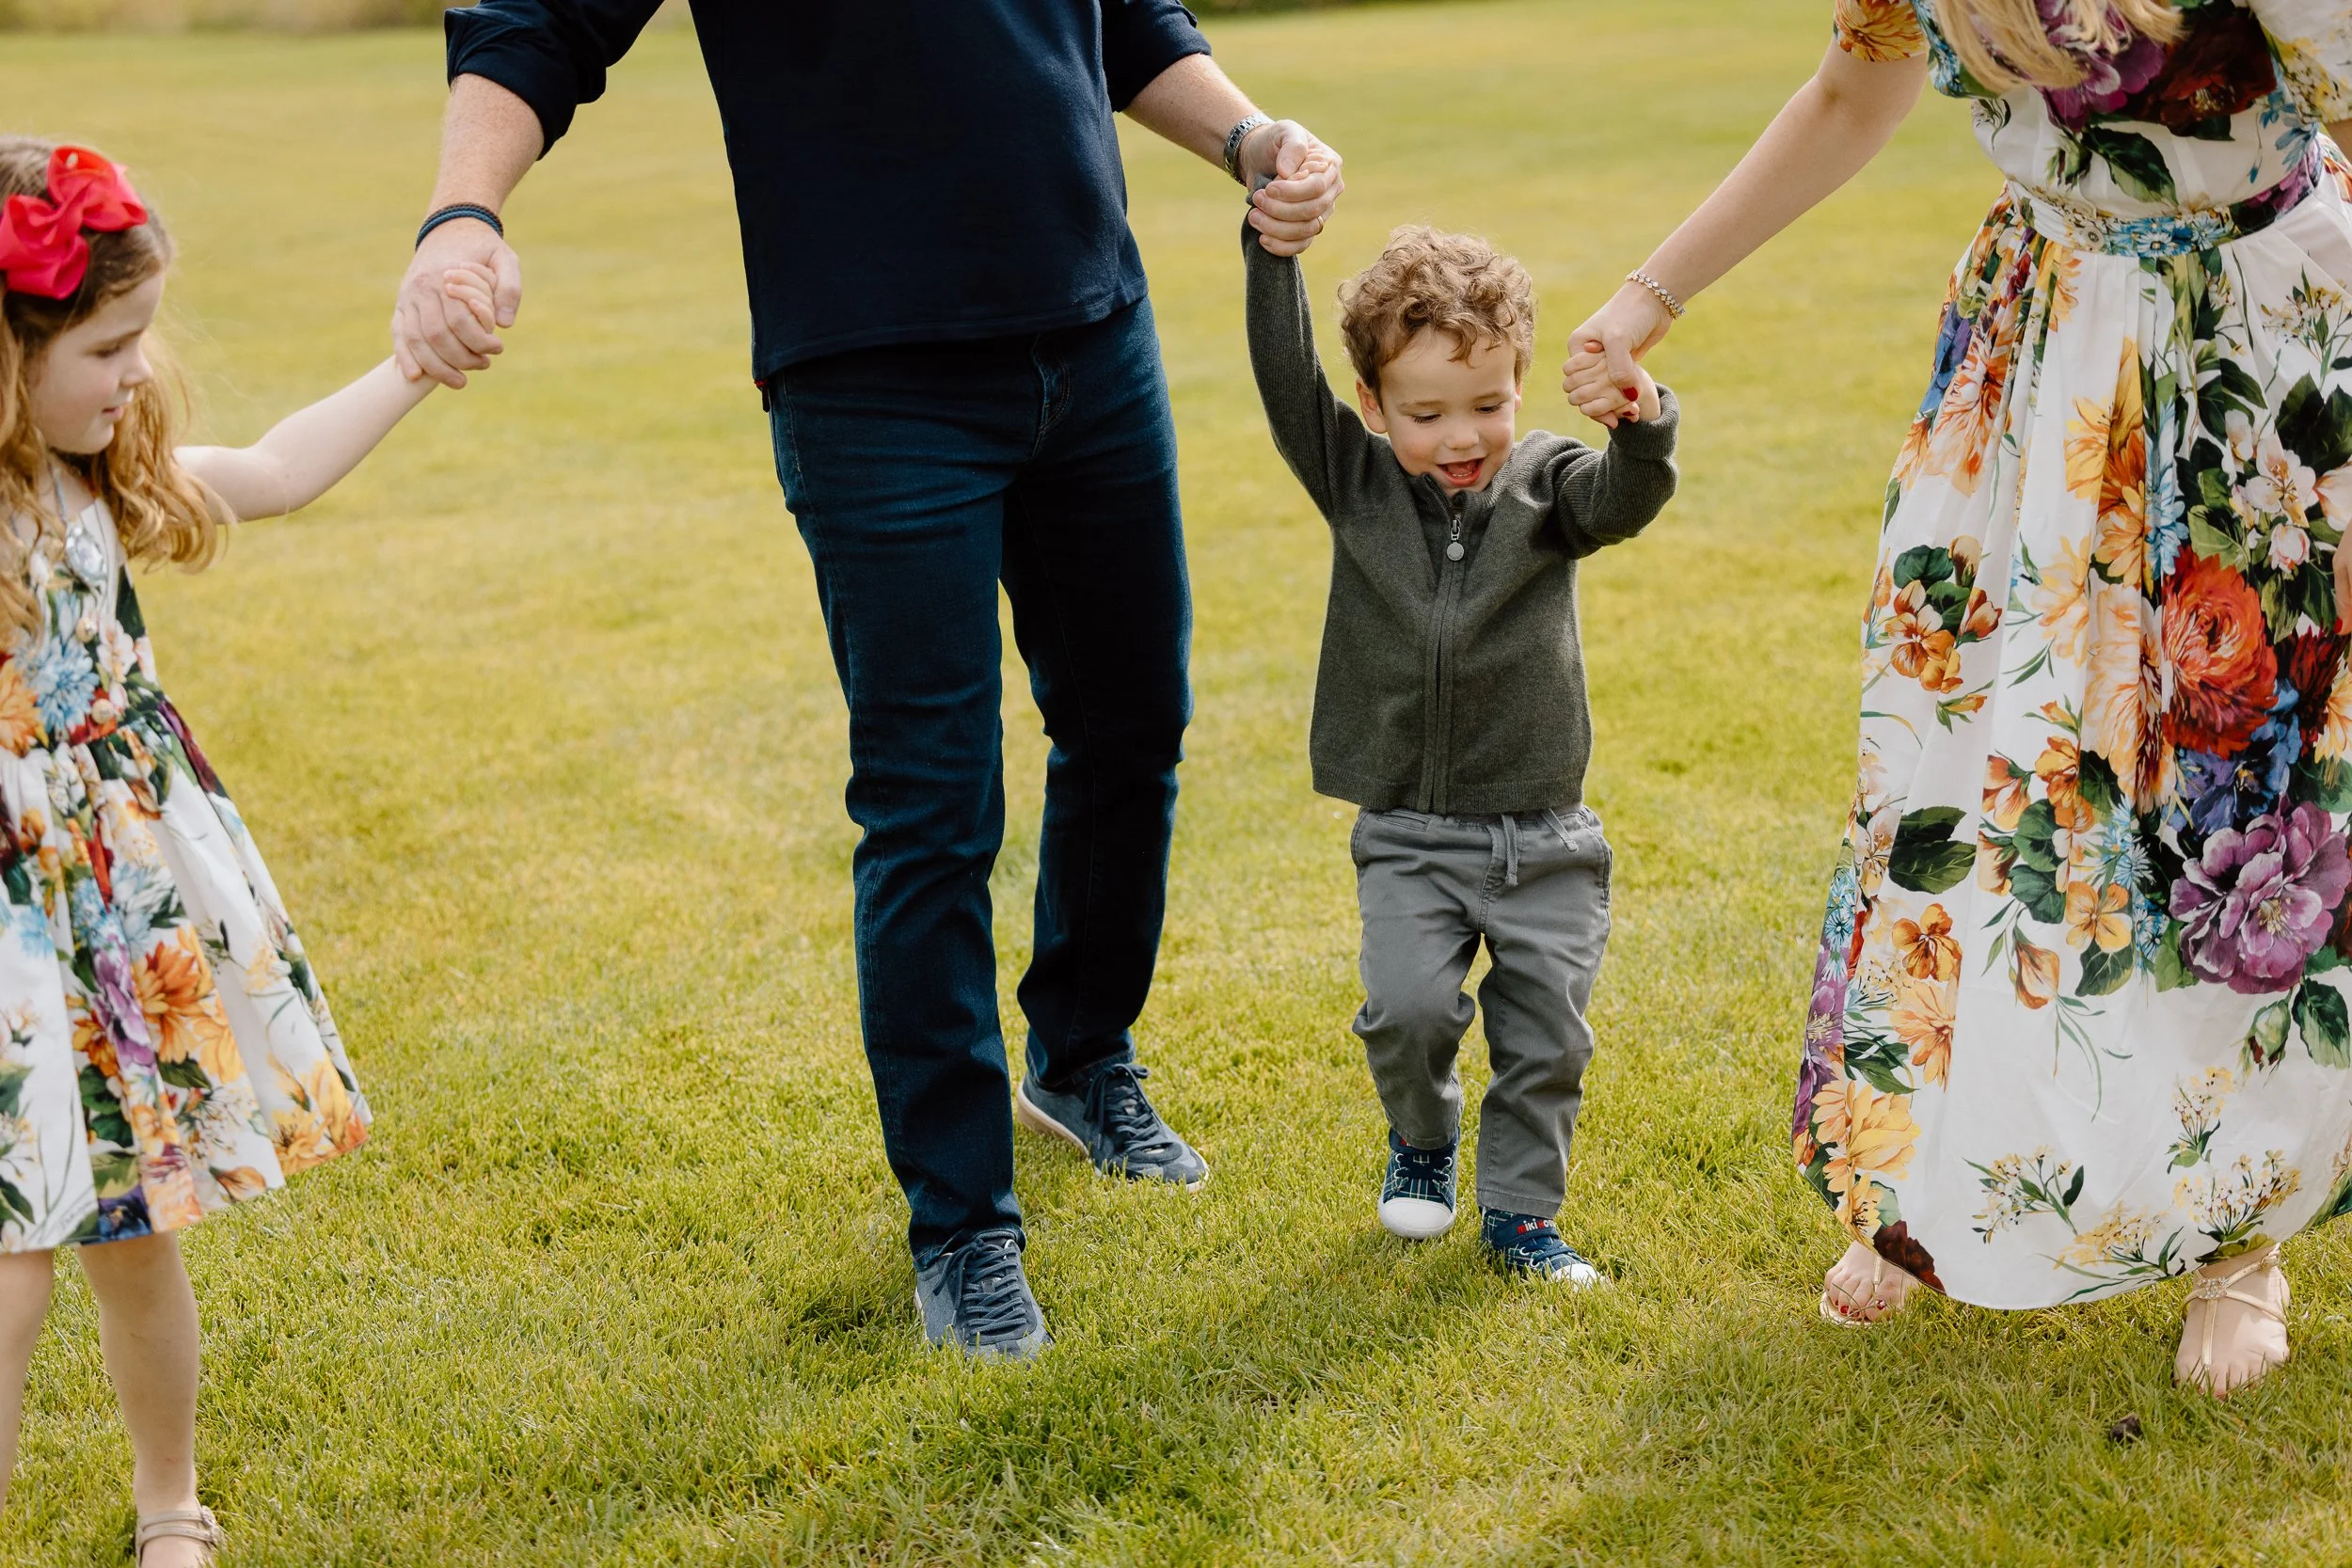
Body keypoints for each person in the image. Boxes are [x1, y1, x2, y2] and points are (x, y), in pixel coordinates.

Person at [394, 2, 1344, 1362]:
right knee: (932, 808)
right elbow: (534, 26)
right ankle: (965, 1228)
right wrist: (459, 216)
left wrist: (1249, 136)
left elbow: (1119, 22)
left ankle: (1082, 1056)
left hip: (1092, 334)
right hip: (873, 385)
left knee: (1134, 722)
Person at [1566, 0, 2352, 1395]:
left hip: (2245, 347)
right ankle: (1921, 1168)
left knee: (2227, 793)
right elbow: (1847, 93)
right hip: (2036, 336)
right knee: (1959, 750)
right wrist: (1646, 297)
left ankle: (2241, 1237)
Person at [0, 136, 480, 1565]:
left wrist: (413, 368)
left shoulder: (95, 487)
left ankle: (172, 1501)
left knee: (139, 1229)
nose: (137, 373)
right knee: (18, 1250)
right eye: (105, 346)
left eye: (141, 339)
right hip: (12, 925)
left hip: (118, 906)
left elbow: (272, 469)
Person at [1245, 214, 1678, 1282]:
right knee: (1406, 1009)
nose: (1460, 438)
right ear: (1373, 408)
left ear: (1518, 387)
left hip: (1545, 835)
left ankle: (1523, 1218)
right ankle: (1423, 1142)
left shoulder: (1546, 485)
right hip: (1408, 829)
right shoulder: (1353, 482)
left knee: (1546, 1042)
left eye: (1487, 405)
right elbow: (1282, 372)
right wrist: (1272, 254)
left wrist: (1641, 423)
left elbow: (1622, 501)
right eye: (1426, 413)